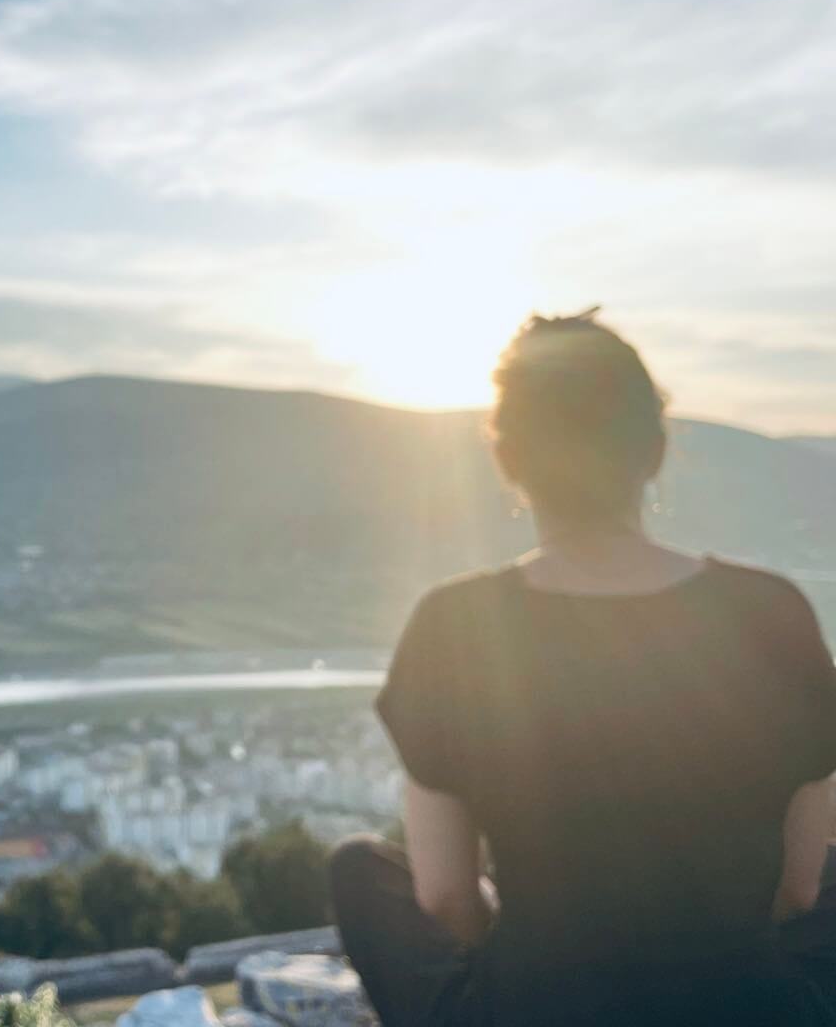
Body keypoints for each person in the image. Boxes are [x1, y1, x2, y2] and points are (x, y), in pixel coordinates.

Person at [330, 310, 836, 1026]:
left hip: (540, 1006)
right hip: (748, 1002)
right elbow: (801, 892)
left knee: (358, 866)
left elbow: (447, 898)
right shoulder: (771, 612)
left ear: (507, 458)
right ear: (654, 451)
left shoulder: (455, 626)